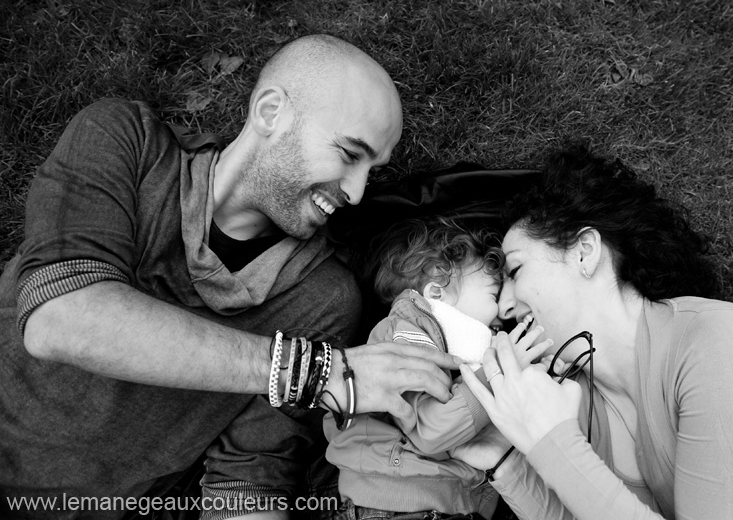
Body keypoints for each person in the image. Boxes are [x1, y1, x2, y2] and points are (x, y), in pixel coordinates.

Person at [0, 34, 464, 520]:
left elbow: (246, 483)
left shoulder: (322, 299)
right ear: (270, 112)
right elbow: (62, 315)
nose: (356, 191)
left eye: (372, 170)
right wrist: (316, 373)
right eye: (350, 154)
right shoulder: (123, 141)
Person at [454, 143, 733, 519]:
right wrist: (506, 462)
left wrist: (552, 441)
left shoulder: (719, 343)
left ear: (585, 251)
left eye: (515, 271)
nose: (503, 308)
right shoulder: (580, 403)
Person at [325, 217, 552, 520]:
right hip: (394, 502)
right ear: (436, 291)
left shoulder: (443, 346)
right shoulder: (406, 332)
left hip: (441, 502)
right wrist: (499, 373)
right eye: (493, 295)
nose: (501, 313)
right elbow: (431, 430)